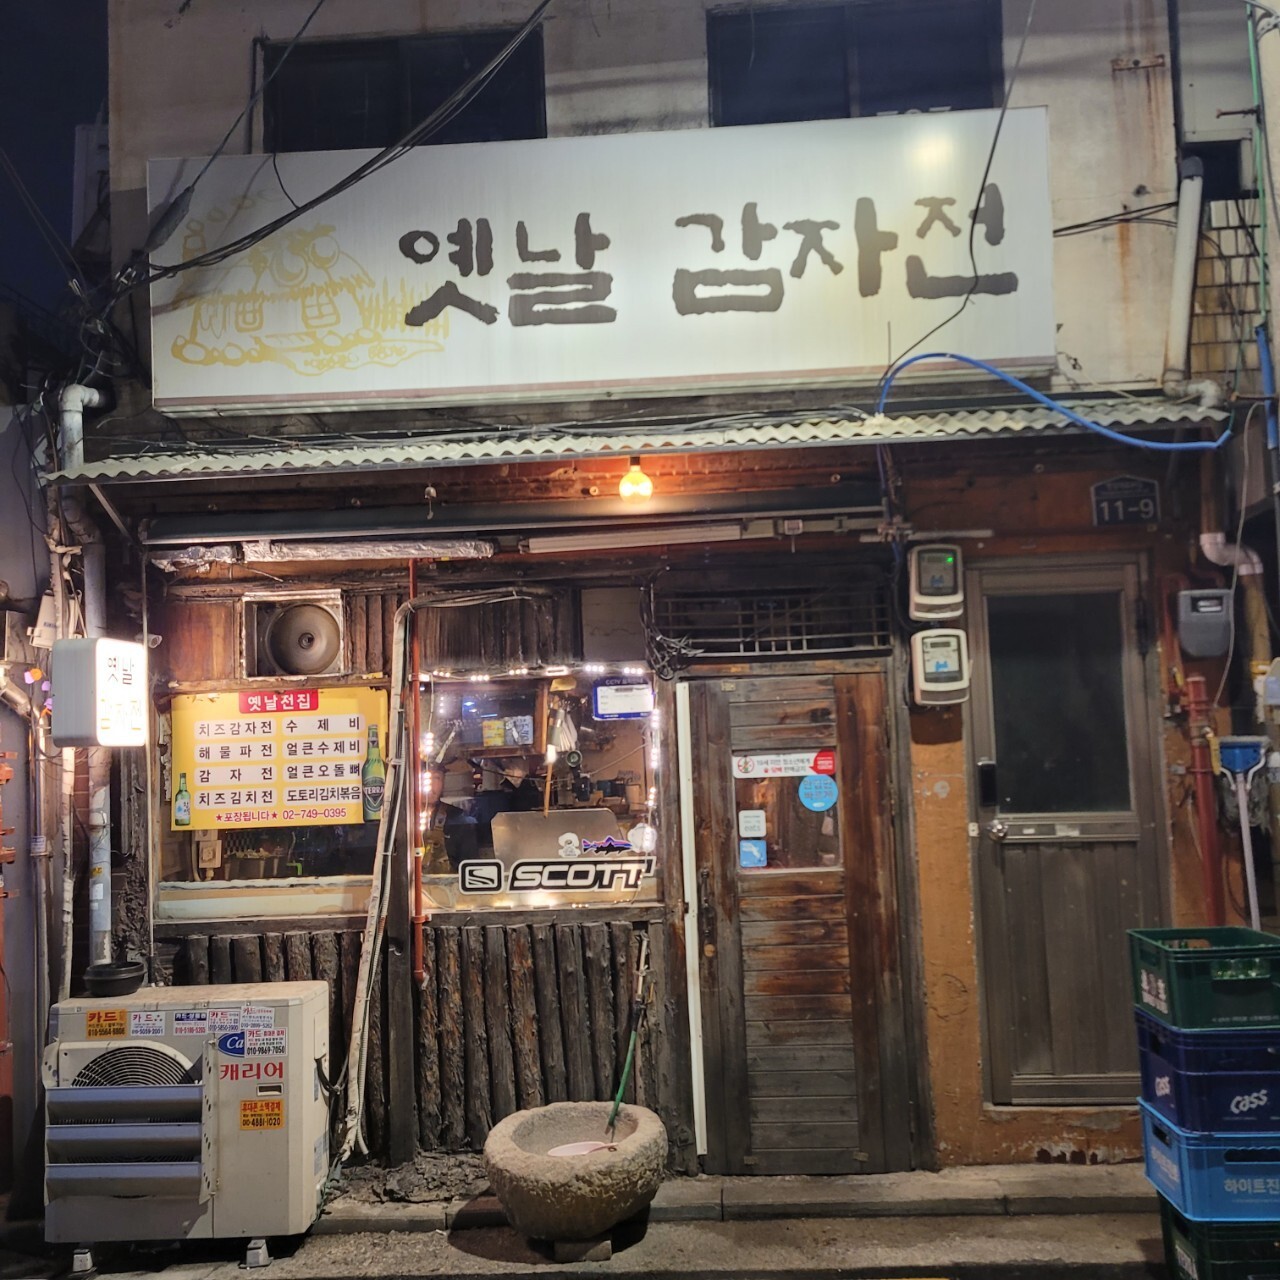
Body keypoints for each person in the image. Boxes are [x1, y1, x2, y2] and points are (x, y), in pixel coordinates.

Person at [422, 763, 477, 872]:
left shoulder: (459, 820)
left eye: (437, 778)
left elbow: (471, 869)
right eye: (425, 778)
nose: (431, 784)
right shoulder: (398, 819)